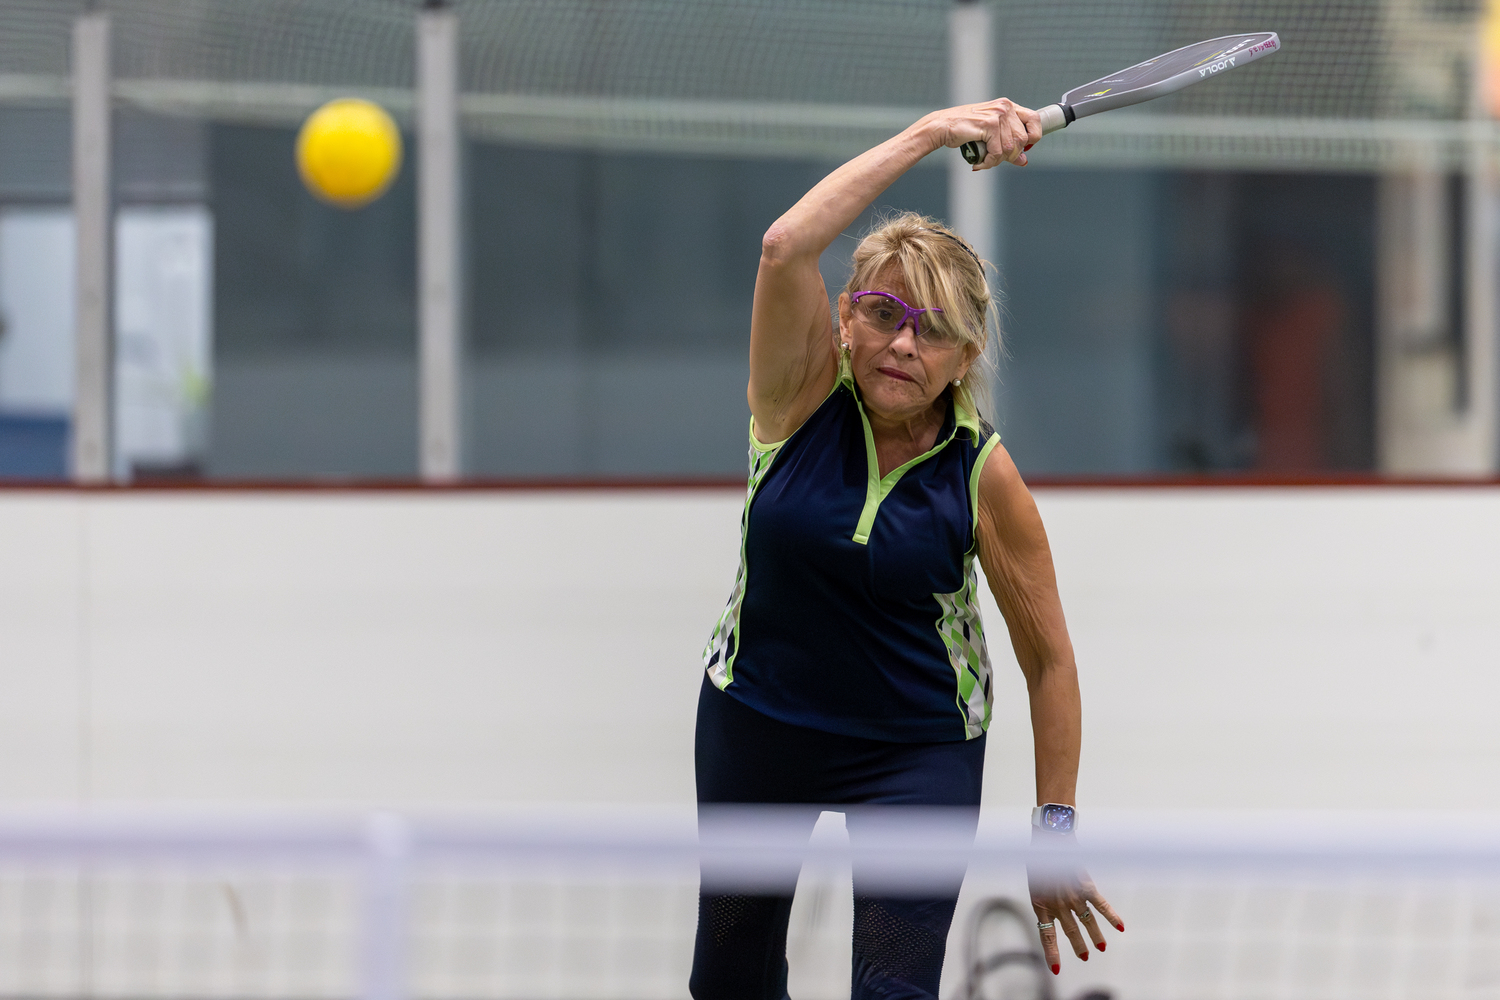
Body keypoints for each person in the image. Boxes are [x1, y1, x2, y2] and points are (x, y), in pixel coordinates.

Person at [690, 97, 1122, 1000]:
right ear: (846, 320)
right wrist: (930, 132)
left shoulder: (984, 475)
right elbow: (782, 246)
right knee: (729, 981)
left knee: (894, 993)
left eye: (933, 330)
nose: (902, 342)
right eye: (883, 312)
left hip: (914, 749)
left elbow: (1048, 663)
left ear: (965, 358)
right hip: (759, 720)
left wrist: (1054, 830)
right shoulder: (797, 396)